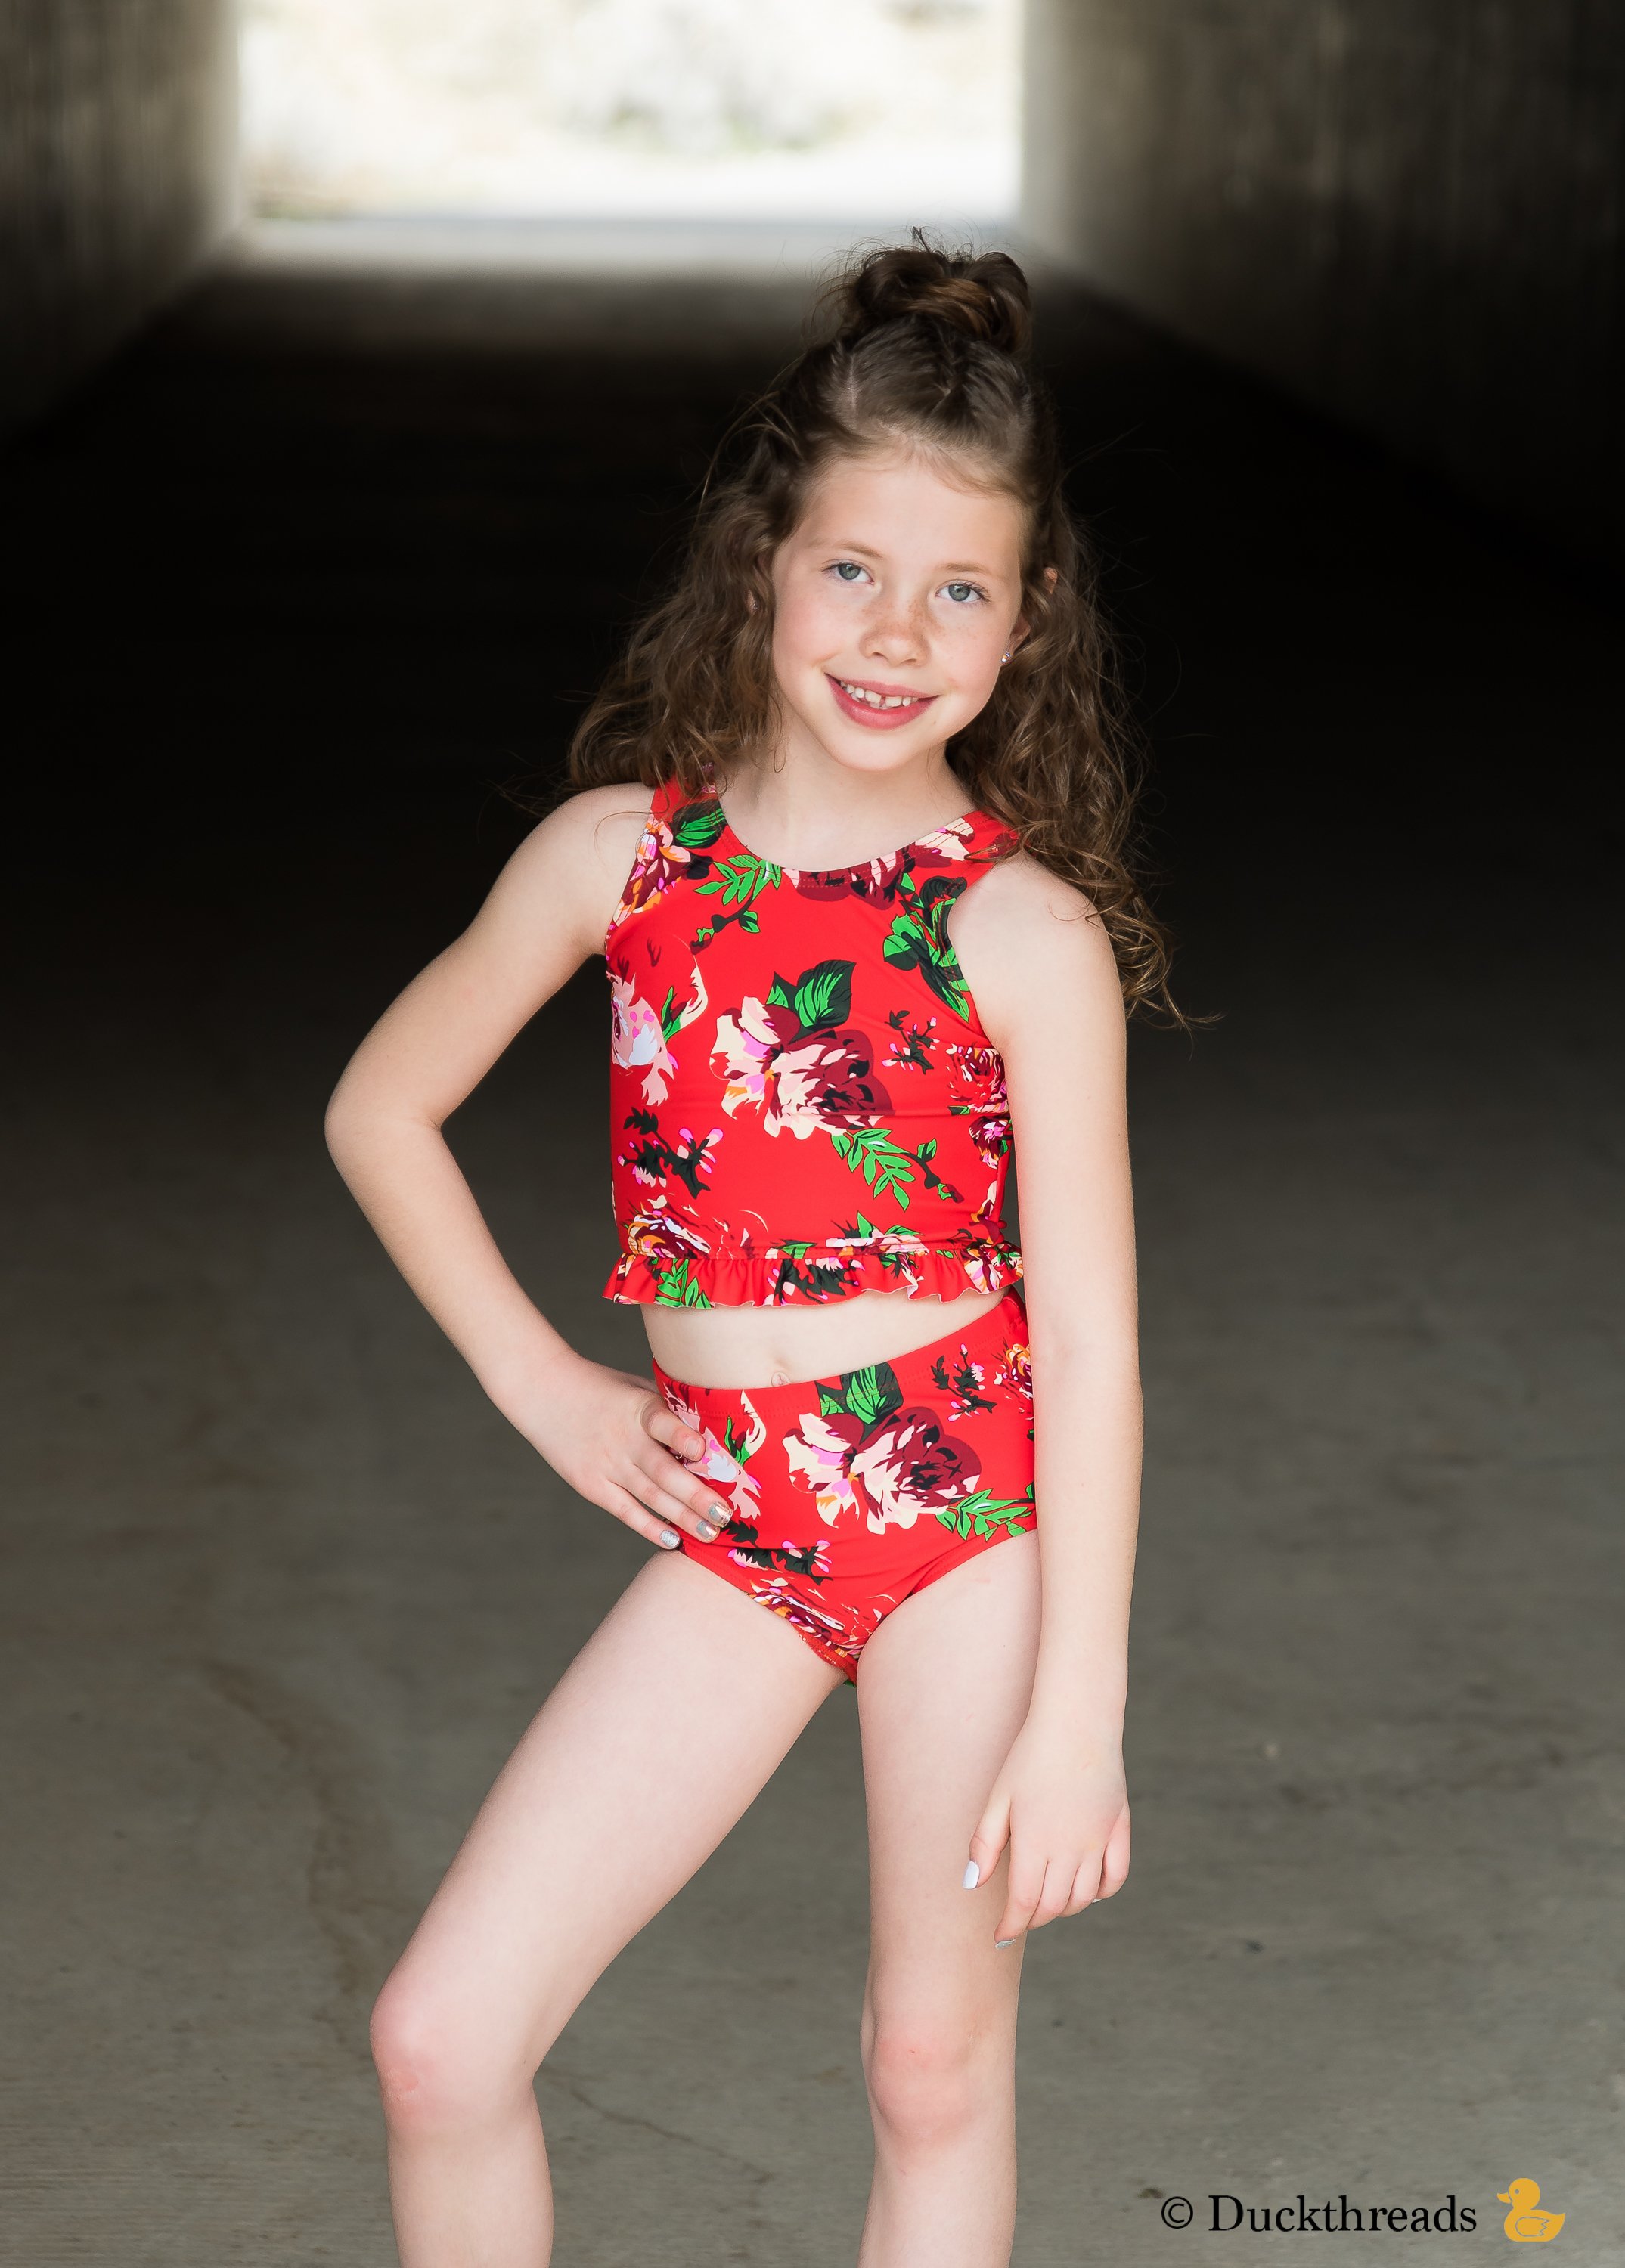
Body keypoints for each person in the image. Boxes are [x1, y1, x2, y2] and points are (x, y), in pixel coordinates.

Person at [324, 235, 1181, 2268]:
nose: (899, 634)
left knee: (928, 2064)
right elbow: (380, 1110)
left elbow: (1098, 1352)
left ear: (1026, 623)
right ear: (762, 567)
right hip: (740, 1519)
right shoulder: (624, 861)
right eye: (855, 571)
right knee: (442, 2037)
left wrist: (1080, 1712)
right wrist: (548, 1383)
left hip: (963, 1505)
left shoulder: (1018, 935)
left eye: (959, 590)